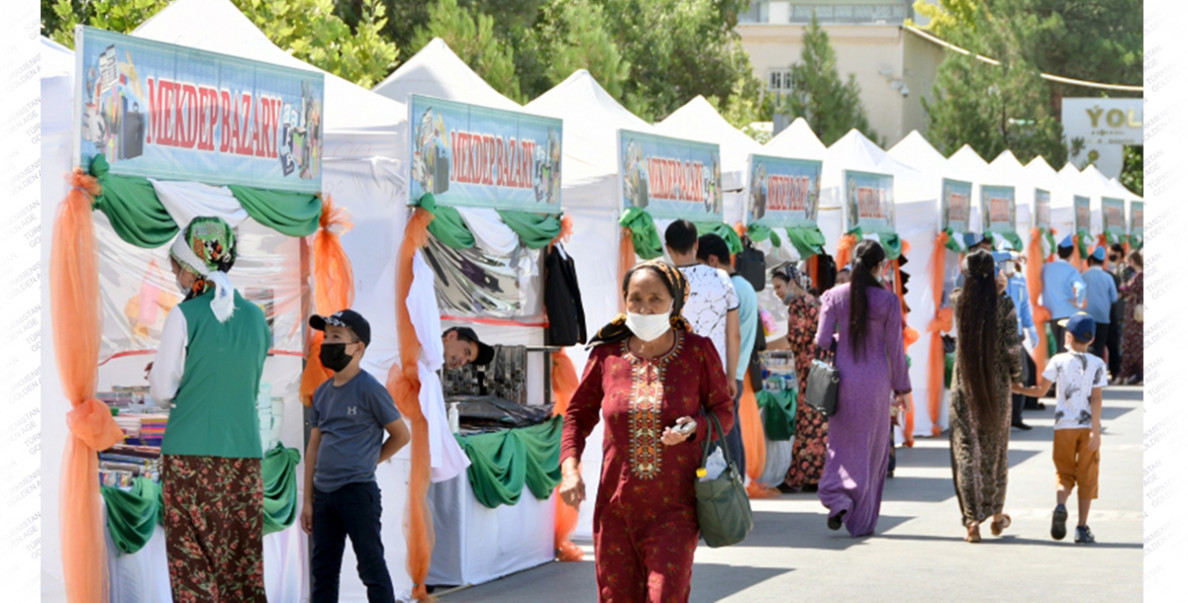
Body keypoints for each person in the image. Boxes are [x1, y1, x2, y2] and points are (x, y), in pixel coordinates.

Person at [559, 261, 734, 602]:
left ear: (674, 303)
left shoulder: (698, 352)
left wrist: (694, 428)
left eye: (656, 299)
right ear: (624, 300)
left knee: (665, 596)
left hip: (676, 510)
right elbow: (577, 416)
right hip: (615, 510)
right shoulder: (606, 355)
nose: (644, 308)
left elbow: (724, 414)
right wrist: (570, 470)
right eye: (635, 298)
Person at [148, 216, 272, 601]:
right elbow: (243, 377)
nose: (176, 276)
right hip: (244, 454)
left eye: (176, 268)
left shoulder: (184, 314)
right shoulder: (256, 317)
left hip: (189, 455)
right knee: (240, 559)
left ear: (191, 266)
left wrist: (175, 378)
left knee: (192, 561)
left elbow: (162, 390)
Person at [302, 310, 411, 602]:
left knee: (371, 566)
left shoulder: (370, 390)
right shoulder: (322, 393)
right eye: (326, 337)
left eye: (336, 337)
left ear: (358, 347)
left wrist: (368, 462)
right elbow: (314, 446)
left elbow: (401, 435)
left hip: (357, 493)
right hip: (324, 496)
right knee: (323, 572)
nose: (327, 343)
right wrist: (308, 501)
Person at [814, 240, 911, 537]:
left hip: (842, 381)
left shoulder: (834, 296)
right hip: (877, 384)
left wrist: (842, 343)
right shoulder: (888, 301)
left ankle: (838, 498)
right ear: (879, 267)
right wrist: (903, 389)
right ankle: (863, 519)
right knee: (873, 451)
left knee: (840, 447)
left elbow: (821, 341)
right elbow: (895, 350)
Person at [948, 250, 1022, 542]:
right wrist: (1017, 379)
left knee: (967, 450)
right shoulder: (1004, 305)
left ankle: (971, 521)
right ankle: (996, 515)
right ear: (994, 275)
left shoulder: (959, 302)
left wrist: (985, 281)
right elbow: (1013, 349)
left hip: (965, 387)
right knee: (995, 451)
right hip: (998, 386)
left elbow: (960, 283)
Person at [1013, 313, 1107, 544]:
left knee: (1063, 474)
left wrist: (1016, 389)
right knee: (1088, 477)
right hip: (1087, 428)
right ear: (1092, 340)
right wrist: (1095, 430)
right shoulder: (1098, 364)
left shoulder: (1057, 360)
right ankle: (1082, 527)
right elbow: (1096, 399)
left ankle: (1061, 505)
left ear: (1068, 336)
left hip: (1063, 426)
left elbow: (1040, 391)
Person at [698, 233, 754, 475]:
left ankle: (733, 495)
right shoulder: (744, 286)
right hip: (735, 372)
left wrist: (728, 376)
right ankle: (737, 494)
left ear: (712, 260)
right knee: (731, 436)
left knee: (724, 441)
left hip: (727, 373)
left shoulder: (728, 287)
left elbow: (732, 335)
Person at [665, 220, 740, 399]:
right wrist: (731, 377)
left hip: (677, 377)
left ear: (668, 247)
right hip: (715, 374)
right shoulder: (721, 278)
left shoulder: (664, 282)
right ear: (696, 244)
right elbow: (734, 334)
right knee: (713, 426)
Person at [770, 265, 828, 492]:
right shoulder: (815, 301)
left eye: (779, 287)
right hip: (821, 369)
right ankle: (815, 475)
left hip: (808, 372)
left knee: (807, 423)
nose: (777, 292)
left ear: (792, 283)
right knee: (818, 425)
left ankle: (799, 476)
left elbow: (792, 339)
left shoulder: (798, 304)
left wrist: (761, 348)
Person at [1003, 253, 1040, 429]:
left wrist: (1031, 328)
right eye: (1007, 259)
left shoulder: (1019, 279)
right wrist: (1008, 254)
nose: (1011, 263)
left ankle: (1016, 416)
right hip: (999, 333)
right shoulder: (994, 276)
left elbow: (1024, 305)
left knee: (1021, 373)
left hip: (1016, 334)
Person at [1041, 236, 1087, 348]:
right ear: (1071, 254)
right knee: (1066, 348)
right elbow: (1081, 287)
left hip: (1050, 314)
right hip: (1068, 314)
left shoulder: (1046, 268)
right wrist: (1079, 303)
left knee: (1054, 348)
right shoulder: (1071, 270)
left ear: (1058, 251)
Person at [1081, 247, 1119, 364]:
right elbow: (1114, 298)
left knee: (1087, 346)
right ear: (1103, 262)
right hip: (1103, 317)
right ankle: (1097, 374)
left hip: (1085, 316)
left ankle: (1086, 374)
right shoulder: (1108, 277)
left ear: (1090, 261)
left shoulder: (1082, 276)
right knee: (1099, 346)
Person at [1119, 250, 1143, 384]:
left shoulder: (1139, 276)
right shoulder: (1141, 275)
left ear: (1132, 261)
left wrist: (1122, 287)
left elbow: (1127, 290)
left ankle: (1134, 373)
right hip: (1137, 313)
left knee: (1133, 343)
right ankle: (1137, 373)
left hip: (1135, 314)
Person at [1106, 244, 1128, 383]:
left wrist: (1117, 295)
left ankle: (1121, 371)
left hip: (1121, 308)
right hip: (1116, 308)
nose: (1111, 256)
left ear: (1120, 253)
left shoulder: (1124, 269)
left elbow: (1126, 288)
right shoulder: (1114, 269)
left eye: (1112, 253)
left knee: (1118, 341)